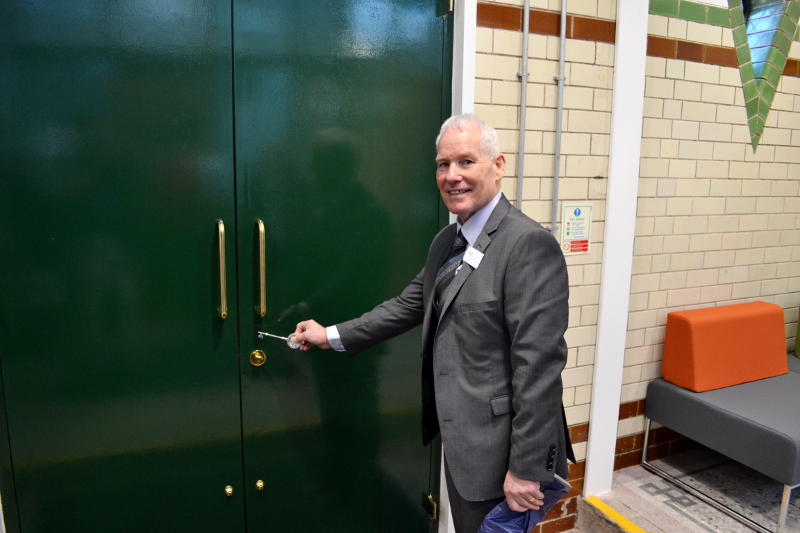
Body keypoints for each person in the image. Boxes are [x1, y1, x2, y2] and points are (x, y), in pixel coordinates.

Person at [293, 114, 574, 532]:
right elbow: (407, 305)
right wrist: (329, 334)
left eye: (466, 162)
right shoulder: (448, 242)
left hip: (503, 453)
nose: (452, 176)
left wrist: (527, 468)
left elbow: (539, 367)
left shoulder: (527, 245)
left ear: (498, 166)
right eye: (444, 164)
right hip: (464, 443)